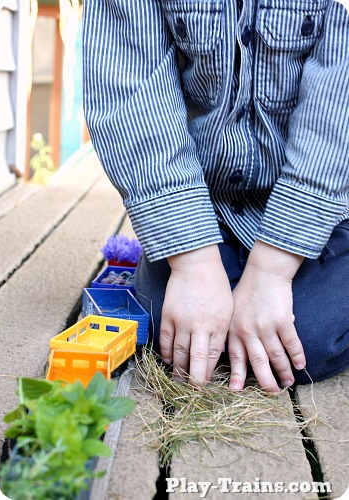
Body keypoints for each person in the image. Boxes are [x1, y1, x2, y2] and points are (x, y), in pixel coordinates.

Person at [83, 0, 349, 393]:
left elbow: (336, 117)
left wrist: (271, 269)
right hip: (205, 207)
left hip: (319, 205)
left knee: (308, 340)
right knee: (167, 326)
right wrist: (194, 264)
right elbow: (130, 87)